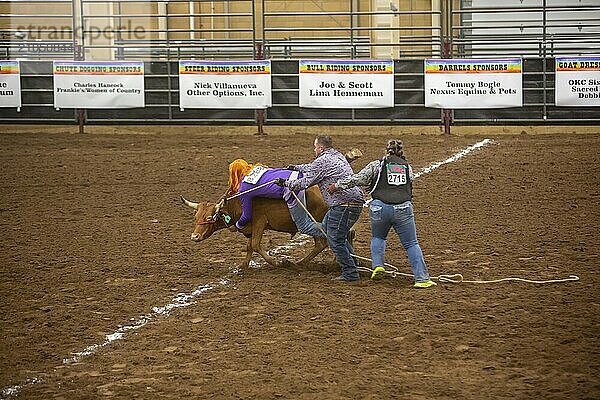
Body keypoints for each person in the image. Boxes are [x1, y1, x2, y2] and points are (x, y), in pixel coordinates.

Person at [326, 139, 437, 288]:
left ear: (386, 151)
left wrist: (337, 185)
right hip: (403, 208)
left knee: (378, 237)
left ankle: (378, 266)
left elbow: (359, 179)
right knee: (411, 244)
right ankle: (422, 279)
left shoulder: (377, 165)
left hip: (380, 208)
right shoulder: (407, 168)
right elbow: (409, 186)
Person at [275, 135, 364, 282]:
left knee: (335, 239)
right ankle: (353, 262)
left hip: (343, 205)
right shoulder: (337, 156)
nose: (314, 149)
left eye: (315, 147)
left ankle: (350, 273)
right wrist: (296, 167)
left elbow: (305, 183)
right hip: (350, 203)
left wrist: (285, 183)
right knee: (329, 231)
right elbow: (312, 167)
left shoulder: (322, 161)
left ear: (321, 148)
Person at [226, 159, 324, 238]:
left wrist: (238, 226)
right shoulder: (258, 168)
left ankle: (333, 233)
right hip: (298, 175)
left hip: (291, 189)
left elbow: (246, 216)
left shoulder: (244, 188)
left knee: (304, 227)